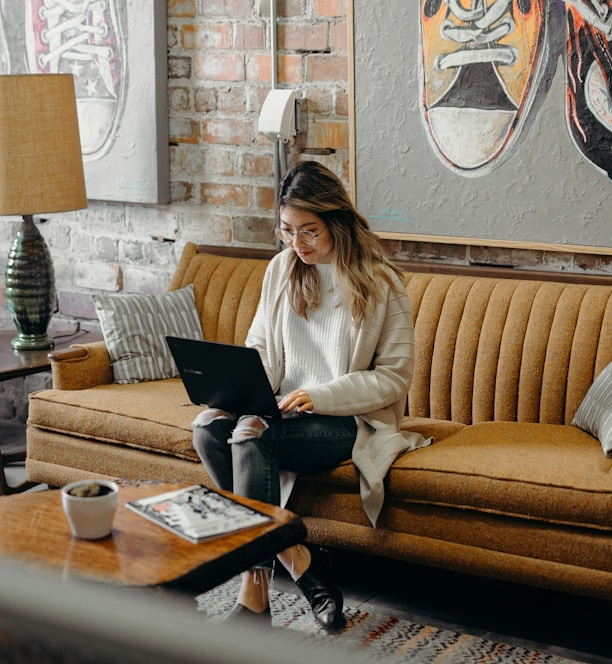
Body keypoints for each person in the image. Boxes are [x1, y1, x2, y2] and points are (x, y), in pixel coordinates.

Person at [192, 161, 430, 631]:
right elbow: (260, 345)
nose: (296, 244)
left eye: (309, 232)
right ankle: (299, 557)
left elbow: (394, 377)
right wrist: (237, 390)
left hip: (344, 419)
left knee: (250, 436)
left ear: (336, 222)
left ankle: (254, 595)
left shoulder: (381, 283)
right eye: (286, 231)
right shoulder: (282, 269)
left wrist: (318, 396)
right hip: (280, 406)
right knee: (209, 428)